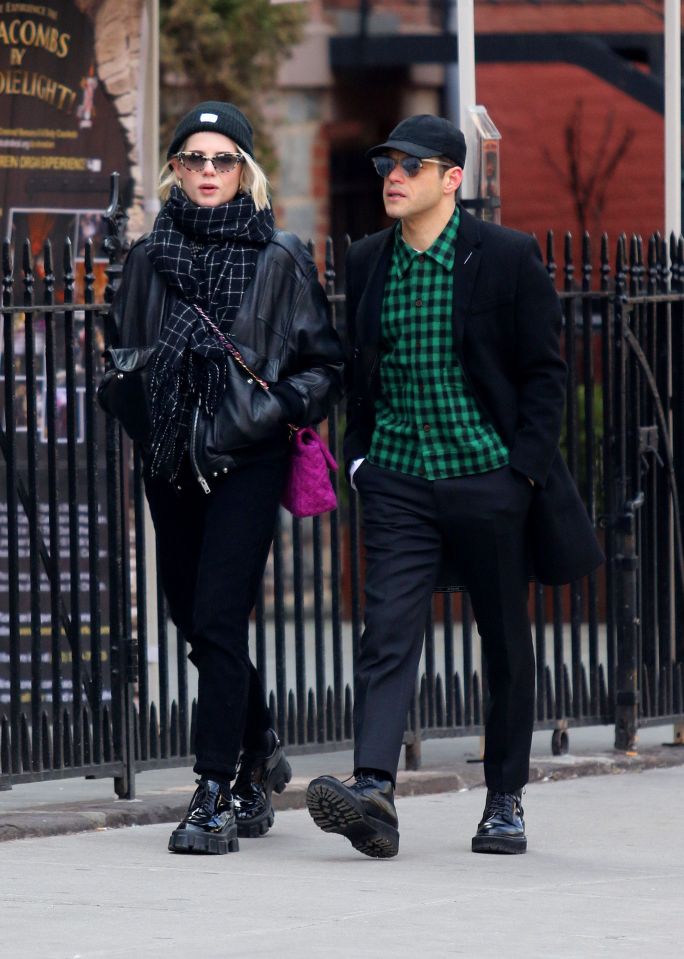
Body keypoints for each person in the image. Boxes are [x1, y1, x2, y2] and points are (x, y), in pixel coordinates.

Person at [306, 115, 603, 859]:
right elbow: (362, 372)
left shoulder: (506, 257)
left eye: (411, 164)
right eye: (386, 164)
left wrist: (521, 474)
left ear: (452, 179)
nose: (393, 176)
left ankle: (504, 799)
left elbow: (544, 375)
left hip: (487, 478)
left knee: (501, 641)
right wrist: (361, 459)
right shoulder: (370, 259)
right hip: (399, 478)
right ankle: (372, 786)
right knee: (387, 631)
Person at [109, 101, 344, 855]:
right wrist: (139, 398)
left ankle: (213, 792)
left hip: (246, 457)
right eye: (195, 158)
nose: (209, 171)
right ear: (175, 168)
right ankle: (259, 742)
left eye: (224, 159)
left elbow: (324, 364)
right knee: (190, 618)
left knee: (218, 618)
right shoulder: (148, 259)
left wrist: (273, 407)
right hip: (173, 460)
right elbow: (122, 348)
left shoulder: (280, 255)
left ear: (247, 171)